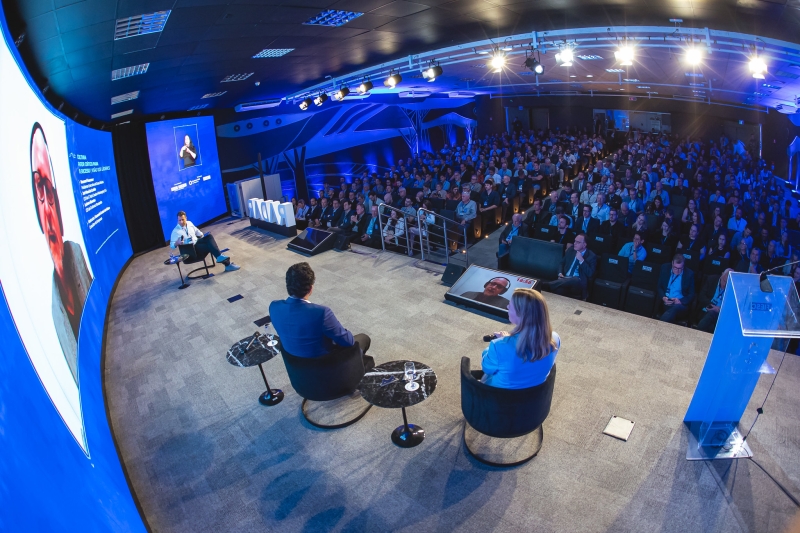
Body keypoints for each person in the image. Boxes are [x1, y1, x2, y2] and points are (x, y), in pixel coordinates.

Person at [32, 123, 93, 385]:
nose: (48, 207)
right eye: (38, 189)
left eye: (50, 189)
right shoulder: (51, 314)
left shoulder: (78, 256)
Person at [270, 263, 373, 369]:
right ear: (310, 288)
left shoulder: (273, 307)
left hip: (298, 373)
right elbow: (348, 342)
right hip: (325, 370)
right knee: (363, 339)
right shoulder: (321, 313)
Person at [480, 289, 560, 389]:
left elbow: (487, 368)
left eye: (510, 305)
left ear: (521, 314)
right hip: (534, 396)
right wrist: (507, 340)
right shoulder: (555, 338)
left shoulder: (498, 346)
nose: (507, 307)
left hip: (500, 398)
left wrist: (500, 343)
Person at [170, 211, 240, 271]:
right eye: (179, 220)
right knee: (210, 246)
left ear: (186, 218)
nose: (181, 222)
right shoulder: (175, 231)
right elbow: (172, 246)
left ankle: (220, 258)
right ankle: (227, 264)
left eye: (183, 219)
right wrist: (177, 243)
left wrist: (203, 237)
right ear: (177, 220)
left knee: (209, 237)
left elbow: (197, 232)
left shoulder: (189, 223)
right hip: (191, 249)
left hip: (197, 241)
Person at [543, 233, 597, 300]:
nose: (575, 243)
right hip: (565, 278)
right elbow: (561, 263)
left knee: (576, 279)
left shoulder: (591, 256)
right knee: (559, 291)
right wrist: (560, 273)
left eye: (578, 242)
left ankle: (545, 285)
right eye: (575, 241)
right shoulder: (571, 250)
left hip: (578, 284)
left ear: (584, 245)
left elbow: (590, 274)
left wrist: (582, 260)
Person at [657, 254, 695, 323]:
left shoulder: (689, 274)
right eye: (675, 267)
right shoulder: (664, 268)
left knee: (675, 308)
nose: (677, 271)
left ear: (683, 266)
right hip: (666, 301)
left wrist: (681, 301)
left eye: (680, 268)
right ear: (672, 263)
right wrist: (663, 297)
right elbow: (659, 286)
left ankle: (659, 325)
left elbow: (691, 294)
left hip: (680, 305)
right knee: (669, 311)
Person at [695, 269, 733, 333]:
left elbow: (731, 308)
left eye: (727, 283)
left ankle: (696, 334)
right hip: (705, 310)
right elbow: (701, 296)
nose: (724, 284)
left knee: (712, 314)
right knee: (711, 327)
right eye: (724, 280)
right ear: (722, 274)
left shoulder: (733, 289)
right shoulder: (711, 279)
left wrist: (720, 309)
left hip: (719, 316)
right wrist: (711, 305)